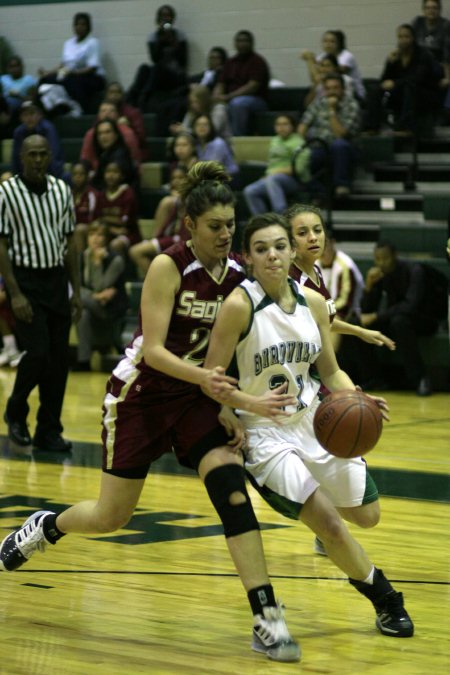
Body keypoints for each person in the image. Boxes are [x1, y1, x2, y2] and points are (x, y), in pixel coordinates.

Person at [0, 161, 300, 663]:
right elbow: (156, 350)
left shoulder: (239, 279)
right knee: (111, 516)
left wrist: (224, 403)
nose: (226, 234)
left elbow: (232, 351)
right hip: (140, 395)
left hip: (196, 399)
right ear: (190, 227)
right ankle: (47, 526)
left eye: (231, 224)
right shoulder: (168, 266)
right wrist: (210, 380)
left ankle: (266, 615)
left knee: (231, 490)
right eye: (215, 226)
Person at [202, 212, 414, 642]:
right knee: (331, 526)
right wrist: (246, 403)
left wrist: (356, 398)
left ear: (291, 250)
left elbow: (330, 371)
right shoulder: (239, 306)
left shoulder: (313, 303)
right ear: (248, 257)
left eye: (280, 246)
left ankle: (329, 532)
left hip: (313, 420)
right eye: (261, 250)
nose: (273, 256)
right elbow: (212, 379)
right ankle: (386, 598)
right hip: (264, 433)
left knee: (367, 516)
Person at [0, 135, 81, 451]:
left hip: (57, 281)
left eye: (43, 154)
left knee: (59, 361)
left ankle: (49, 430)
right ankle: (15, 411)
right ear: (21, 156)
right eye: (32, 154)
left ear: (50, 157)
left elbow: (71, 242)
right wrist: (15, 293)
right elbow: (2, 244)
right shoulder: (7, 193)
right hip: (26, 281)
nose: (37, 160)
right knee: (38, 353)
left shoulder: (62, 190)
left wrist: (75, 290)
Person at [285, 204, 396, 364]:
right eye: (303, 233)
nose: (313, 237)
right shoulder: (289, 278)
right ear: (290, 241)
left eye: (317, 230)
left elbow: (325, 320)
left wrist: (359, 332)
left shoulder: (315, 270)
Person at [360, 241, 439, 396]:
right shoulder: (380, 274)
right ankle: (374, 378)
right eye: (377, 259)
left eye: (385, 259)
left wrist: (377, 316)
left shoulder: (414, 270)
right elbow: (367, 311)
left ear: (394, 256)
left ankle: (421, 379)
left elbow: (410, 306)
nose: (381, 263)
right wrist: (369, 286)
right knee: (359, 326)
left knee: (399, 322)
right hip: (397, 319)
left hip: (425, 320)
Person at [364, 24, 441, 134]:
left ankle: (405, 127)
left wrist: (394, 83)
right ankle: (372, 127)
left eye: (406, 36)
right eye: (400, 37)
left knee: (409, 87)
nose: (403, 40)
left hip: (424, 93)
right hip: (402, 91)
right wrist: (390, 63)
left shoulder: (423, 55)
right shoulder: (396, 55)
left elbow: (417, 79)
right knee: (375, 89)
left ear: (413, 38)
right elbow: (384, 79)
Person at [73, 223, 128, 372]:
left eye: (100, 235)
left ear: (107, 239)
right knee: (82, 313)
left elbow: (100, 286)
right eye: (92, 235)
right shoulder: (82, 257)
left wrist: (97, 263)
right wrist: (95, 296)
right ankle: (84, 361)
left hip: (110, 309)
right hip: (93, 306)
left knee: (74, 299)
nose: (95, 239)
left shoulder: (115, 260)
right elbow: (78, 286)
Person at [298, 73, 360, 200]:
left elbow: (340, 134)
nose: (332, 91)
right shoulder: (319, 102)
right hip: (319, 145)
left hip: (345, 148)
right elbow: (303, 125)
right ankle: (320, 192)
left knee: (339, 145)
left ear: (343, 89)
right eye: (328, 88)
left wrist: (332, 110)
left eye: (335, 88)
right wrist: (300, 142)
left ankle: (341, 186)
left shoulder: (351, 104)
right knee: (306, 155)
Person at [129, 164, 189, 278]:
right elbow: (157, 233)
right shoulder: (171, 200)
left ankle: (157, 285)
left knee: (136, 251)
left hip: (186, 242)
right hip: (171, 240)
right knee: (136, 251)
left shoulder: (193, 198)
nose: (176, 181)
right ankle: (157, 284)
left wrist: (180, 199)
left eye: (181, 178)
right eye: (174, 178)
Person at [38, 12, 105, 113]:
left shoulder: (93, 43)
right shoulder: (68, 43)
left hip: (93, 77)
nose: (80, 27)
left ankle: (83, 111)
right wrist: (48, 72)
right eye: (77, 24)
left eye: (83, 24)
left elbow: (92, 68)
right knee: (44, 80)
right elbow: (63, 65)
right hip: (69, 75)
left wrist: (72, 73)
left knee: (73, 81)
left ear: (88, 27)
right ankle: (51, 108)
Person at [127, 4, 188, 114]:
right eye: (162, 16)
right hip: (158, 75)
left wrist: (173, 42)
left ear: (173, 18)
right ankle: (130, 99)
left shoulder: (180, 35)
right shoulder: (153, 36)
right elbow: (154, 59)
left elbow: (183, 61)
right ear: (158, 19)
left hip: (176, 76)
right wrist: (160, 41)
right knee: (144, 68)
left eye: (168, 15)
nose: (165, 18)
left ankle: (143, 99)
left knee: (158, 68)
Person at [243, 114, 310, 215]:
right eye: (278, 124)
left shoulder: (299, 143)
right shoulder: (275, 140)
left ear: (292, 126)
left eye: (285, 124)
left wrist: (273, 173)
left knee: (273, 179)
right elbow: (272, 164)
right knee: (250, 191)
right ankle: (262, 222)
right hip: (272, 178)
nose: (281, 127)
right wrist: (268, 175)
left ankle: (281, 215)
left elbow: (298, 169)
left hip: (294, 181)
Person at [213, 30, 270, 136]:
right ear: (235, 43)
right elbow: (221, 83)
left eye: (245, 41)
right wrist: (217, 96)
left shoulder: (258, 61)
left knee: (238, 103)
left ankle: (239, 139)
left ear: (252, 43)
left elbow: (252, 86)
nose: (242, 43)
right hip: (230, 99)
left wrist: (229, 97)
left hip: (256, 100)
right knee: (217, 106)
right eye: (239, 41)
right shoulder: (230, 62)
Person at [316, 230, 364, 352]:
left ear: (333, 243)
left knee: (332, 320)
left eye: (324, 245)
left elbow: (344, 303)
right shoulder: (314, 263)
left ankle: (326, 368)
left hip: (349, 312)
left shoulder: (345, 265)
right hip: (322, 309)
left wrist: (322, 310)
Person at [93, 160, 141, 255]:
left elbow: (123, 222)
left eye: (115, 172)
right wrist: (112, 229)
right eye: (108, 172)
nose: (111, 175)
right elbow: (97, 220)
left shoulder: (127, 193)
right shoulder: (101, 195)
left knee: (116, 244)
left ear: (122, 175)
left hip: (129, 235)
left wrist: (105, 219)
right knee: (94, 239)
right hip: (108, 232)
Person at [12, 102, 65, 179]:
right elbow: (16, 159)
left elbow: (54, 157)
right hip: (26, 175)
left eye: (32, 114)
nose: (29, 118)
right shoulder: (18, 132)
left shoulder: (49, 129)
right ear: (21, 118)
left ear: (40, 115)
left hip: (48, 174)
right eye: (25, 115)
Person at [80, 100, 141, 167]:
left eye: (111, 111)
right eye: (103, 111)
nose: (107, 114)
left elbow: (134, 159)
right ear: (98, 115)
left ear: (117, 114)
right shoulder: (91, 134)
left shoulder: (127, 133)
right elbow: (85, 158)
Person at [88, 118, 138, 191]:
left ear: (116, 135)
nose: (103, 137)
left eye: (107, 132)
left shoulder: (120, 155)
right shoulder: (104, 154)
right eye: (100, 133)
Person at [104, 82, 147, 160]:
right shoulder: (103, 113)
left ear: (123, 95)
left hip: (129, 152)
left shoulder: (133, 113)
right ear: (106, 95)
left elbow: (141, 138)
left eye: (117, 92)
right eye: (111, 92)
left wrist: (128, 127)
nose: (114, 95)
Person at [192, 114, 238, 180]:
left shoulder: (218, 143)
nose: (201, 127)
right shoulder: (196, 144)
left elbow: (211, 169)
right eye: (198, 124)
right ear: (193, 127)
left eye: (205, 124)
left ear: (211, 127)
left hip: (229, 178)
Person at [71, 160, 99, 254]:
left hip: (90, 230)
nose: (78, 177)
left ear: (87, 176)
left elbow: (94, 220)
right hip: (73, 229)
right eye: (75, 174)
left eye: (81, 174)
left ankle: (80, 266)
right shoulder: (68, 194)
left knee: (79, 229)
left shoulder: (92, 195)